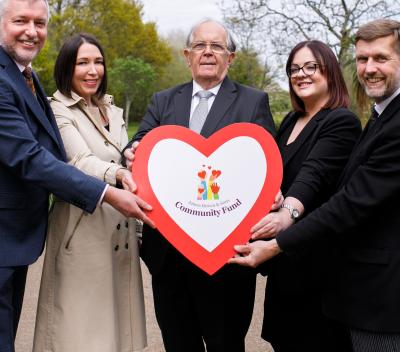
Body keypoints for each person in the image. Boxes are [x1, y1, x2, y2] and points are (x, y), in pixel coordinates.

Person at [230, 18, 400, 351]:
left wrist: (284, 223)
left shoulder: (347, 120)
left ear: (330, 72)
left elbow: (332, 187)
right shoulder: (376, 115)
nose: (369, 67)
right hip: (308, 267)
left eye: (380, 58)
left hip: (370, 284)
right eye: (363, 59)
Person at [0, 0, 152, 352]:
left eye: (39, 22)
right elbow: (31, 157)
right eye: (20, 21)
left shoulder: (26, 75)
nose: (31, 31)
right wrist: (108, 189)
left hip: (16, 237)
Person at [124, 19, 276, 352]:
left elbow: (266, 163)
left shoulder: (253, 102)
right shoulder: (163, 100)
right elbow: (141, 139)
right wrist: (132, 149)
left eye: (217, 46)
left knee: (225, 343)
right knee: (178, 342)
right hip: (169, 251)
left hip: (226, 256)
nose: (207, 52)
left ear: (230, 57)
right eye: (199, 46)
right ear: (187, 55)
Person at [32, 33, 146, 351]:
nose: (92, 70)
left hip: (120, 232)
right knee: (80, 333)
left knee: (117, 331)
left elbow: (130, 164)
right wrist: (119, 172)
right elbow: (79, 160)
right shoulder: (57, 111)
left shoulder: (114, 111)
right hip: (81, 231)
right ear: (67, 67)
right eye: (82, 62)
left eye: (98, 62)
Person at [248, 40, 361, 351]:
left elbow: (314, 174)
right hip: (285, 260)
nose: (301, 74)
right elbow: (272, 175)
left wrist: (287, 214)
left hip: (318, 265)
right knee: (285, 340)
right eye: (294, 69)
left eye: (311, 66)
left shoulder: (341, 121)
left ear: (330, 72)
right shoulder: (291, 121)